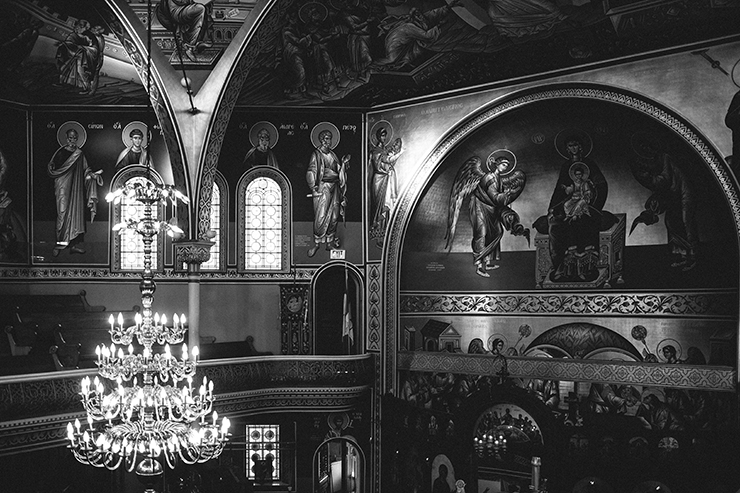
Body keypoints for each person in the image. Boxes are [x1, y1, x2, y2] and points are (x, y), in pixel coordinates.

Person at [535, 134, 611, 282]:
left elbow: (601, 186)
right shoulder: (566, 166)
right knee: (555, 225)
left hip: (587, 206)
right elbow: (559, 190)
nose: (573, 148)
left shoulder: (590, 164)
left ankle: (587, 269)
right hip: (568, 205)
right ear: (567, 149)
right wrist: (552, 209)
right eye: (570, 146)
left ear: (581, 146)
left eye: (575, 144)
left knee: (582, 224)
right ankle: (561, 268)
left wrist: (592, 204)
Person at [445, 152, 529, 278]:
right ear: (497, 164)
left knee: (496, 232)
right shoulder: (489, 177)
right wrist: (507, 194)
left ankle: (488, 261)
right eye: (503, 164)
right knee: (481, 232)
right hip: (480, 206)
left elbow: (499, 201)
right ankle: (479, 264)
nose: (505, 167)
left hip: (491, 209)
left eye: (507, 165)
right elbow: (495, 197)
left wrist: (508, 205)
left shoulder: (499, 179)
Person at [629, 136, 698, 271]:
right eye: (643, 149)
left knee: (685, 222)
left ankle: (693, 257)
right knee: (671, 222)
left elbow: (664, 180)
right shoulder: (655, 160)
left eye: (648, 146)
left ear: (653, 146)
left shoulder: (664, 157)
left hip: (684, 194)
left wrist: (647, 177)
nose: (647, 150)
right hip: (673, 195)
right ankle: (682, 256)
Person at [47, 128, 103, 256]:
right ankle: (60, 243)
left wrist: (92, 176)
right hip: (62, 187)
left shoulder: (79, 154)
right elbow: (53, 169)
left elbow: (86, 170)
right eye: (70, 138)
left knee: (77, 214)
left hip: (76, 190)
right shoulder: (60, 152)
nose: (72, 140)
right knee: (62, 212)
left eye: (74, 138)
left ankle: (74, 245)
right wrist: (52, 169)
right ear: (67, 139)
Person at [306, 129, 350, 257]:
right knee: (321, 216)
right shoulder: (317, 154)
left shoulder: (333, 155)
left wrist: (344, 164)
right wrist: (313, 186)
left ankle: (329, 242)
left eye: (329, 138)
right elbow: (312, 170)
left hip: (335, 187)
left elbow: (339, 171)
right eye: (325, 138)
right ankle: (317, 244)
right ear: (321, 140)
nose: (328, 141)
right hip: (323, 187)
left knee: (334, 215)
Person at [369, 126, 402, 247]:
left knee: (387, 206)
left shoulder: (385, 149)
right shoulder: (376, 151)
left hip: (387, 180)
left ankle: (387, 234)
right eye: (382, 135)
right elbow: (384, 162)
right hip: (379, 180)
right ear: (378, 136)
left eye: (385, 135)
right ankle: (378, 236)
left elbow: (390, 161)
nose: (384, 138)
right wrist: (399, 154)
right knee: (379, 207)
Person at [55, 20, 105, 94]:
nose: (77, 29)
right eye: (77, 27)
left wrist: (82, 48)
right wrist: (64, 45)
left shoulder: (88, 38)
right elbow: (69, 44)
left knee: (81, 72)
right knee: (65, 68)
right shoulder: (73, 35)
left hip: (82, 58)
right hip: (72, 57)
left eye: (81, 28)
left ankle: (87, 88)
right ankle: (63, 83)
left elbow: (94, 49)